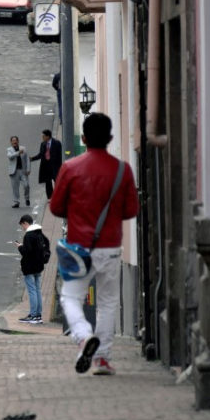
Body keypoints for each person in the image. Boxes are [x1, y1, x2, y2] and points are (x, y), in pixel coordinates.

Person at [50, 113, 139, 375]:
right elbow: (131, 210)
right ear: (110, 138)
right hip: (110, 247)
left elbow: (55, 208)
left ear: (84, 138)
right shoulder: (122, 170)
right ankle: (101, 359)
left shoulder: (71, 168)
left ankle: (83, 335)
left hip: (79, 248)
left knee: (70, 296)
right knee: (109, 301)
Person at [14, 214, 50, 324]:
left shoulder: (29, 235)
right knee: (37, 290)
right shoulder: (39, 233)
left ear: (25, 223)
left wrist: (20, 247)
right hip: (39, 265)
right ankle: (38, 314)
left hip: (29, 266)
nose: (22, 228)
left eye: (22, 226)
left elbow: (26, 252)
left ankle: (34, 315)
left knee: (32, 291)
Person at [30, 129, 64, 200]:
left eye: (43, 136)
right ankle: (50, 197)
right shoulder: (43, 144)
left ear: (48, 136)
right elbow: (41, 154)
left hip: (55, 166)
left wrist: (61, 166)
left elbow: (60, 155)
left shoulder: (57, 143)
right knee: (48, 182)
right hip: (46, 166)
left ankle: (59, 196)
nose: (42, 137)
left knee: (57, 181)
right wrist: (32, 158)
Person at [7, 135, 31, 208]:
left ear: (18, 141)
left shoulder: (23, 148)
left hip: (23, 170)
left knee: (26, 185)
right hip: (14, 171)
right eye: (13, 140)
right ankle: (16, 202)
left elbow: (27, 159)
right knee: (15, 187)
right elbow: (10, 156)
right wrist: (18, 153)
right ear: (11, 142)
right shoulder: (9, 149)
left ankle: (27, 198)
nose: (14, 142)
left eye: (15, 140)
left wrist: (28, 169)